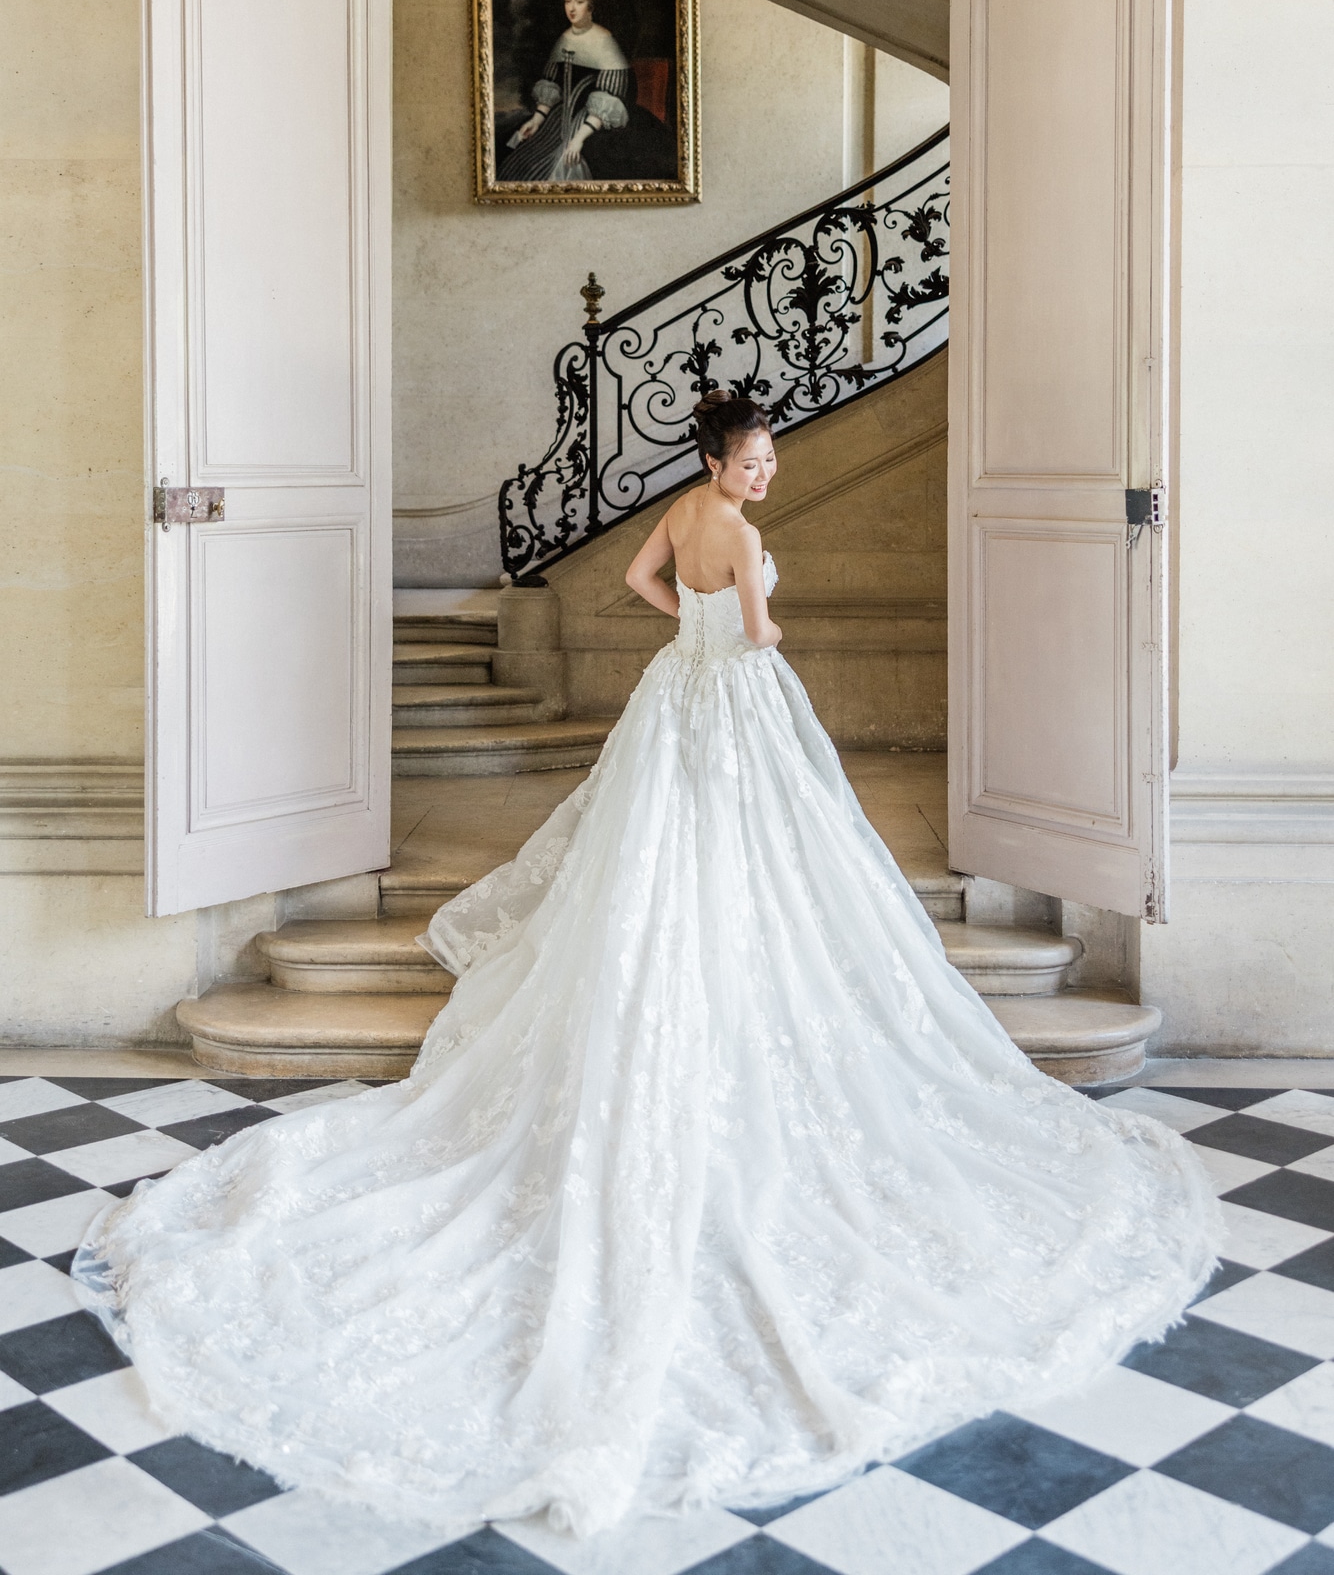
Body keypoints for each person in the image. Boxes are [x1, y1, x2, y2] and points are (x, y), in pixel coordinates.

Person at [74, 391, 1222, 1542]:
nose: (765, 473)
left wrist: (692, 618)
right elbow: (765, 636)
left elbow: (635, 585)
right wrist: (748, 615)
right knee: (760, 846)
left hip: (676, 690)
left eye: (772, 460)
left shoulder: (680, 508)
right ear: (720, 457)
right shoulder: (736, 527)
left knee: (654, 846)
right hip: (737, 697)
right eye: (753, 459)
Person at [498, 0, 632, 182]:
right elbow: (551, 85)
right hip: (560, 118)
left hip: (595, 124)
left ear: (591, 7)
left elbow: (611, 98)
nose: (571, 7)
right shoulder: (564, 39)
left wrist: (578, 139)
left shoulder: (605, 42)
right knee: (522, 158)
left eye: (579, 1)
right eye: (567, 1)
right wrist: (537, 119)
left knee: (563, 161)